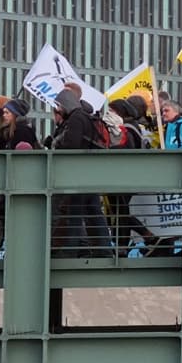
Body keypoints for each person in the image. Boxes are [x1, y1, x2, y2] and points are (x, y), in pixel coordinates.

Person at [50, 89, 112, 258]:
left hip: (78, 174)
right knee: (94, 211)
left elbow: (72, 146)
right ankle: (104, 250)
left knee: (74, 213)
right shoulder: (85, 116)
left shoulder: (76, 118)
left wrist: (59, 143)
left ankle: (69, 251)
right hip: (89, 172)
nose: (58, 109)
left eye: (59, 106)